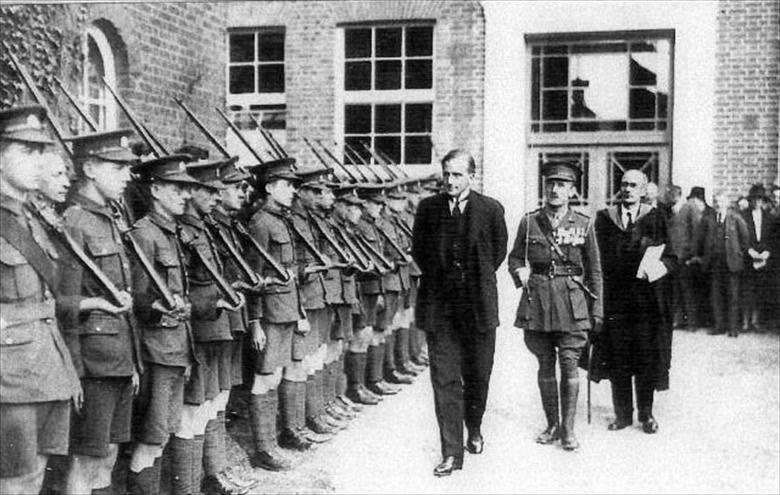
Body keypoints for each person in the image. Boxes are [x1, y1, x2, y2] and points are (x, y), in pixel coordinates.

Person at [0, 106, 81, 495]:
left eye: (40, 152)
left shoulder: (34, 219)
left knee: (35, 475)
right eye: (25, 151)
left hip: (48, 364)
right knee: (12, 481)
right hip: (8, 374)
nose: (39, 162)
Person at [412, 149, 507, 476]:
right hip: (441, 309)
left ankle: (475, 426)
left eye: (457, 175)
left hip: (478, 308)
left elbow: (496, 253)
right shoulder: (428, 209)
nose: (450, 181)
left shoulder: (491, 209)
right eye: (446, 174)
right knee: (445, 381)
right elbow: (421, 252)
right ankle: (452, 452)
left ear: (471, 176)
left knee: (478, 376)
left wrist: (471, 281)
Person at [56, 130, 141, 495]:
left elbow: (123, 301)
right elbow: (63, 304)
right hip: (92, 365)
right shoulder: (74, 221)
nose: (127, 176)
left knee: (108, 454)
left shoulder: (109, 219)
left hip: (118, 360)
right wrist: (75, 372)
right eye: (118, 166)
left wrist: (133, 362)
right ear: (89, 167)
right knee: (85, 459)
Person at [508, 158, 603, 451]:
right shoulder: (529, 221)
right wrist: (518, 272)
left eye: (561, 185)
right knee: (545, 364)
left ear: (572, 191)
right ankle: (552, 424)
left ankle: (568, 430)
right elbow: (514, 257)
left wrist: (597, 309)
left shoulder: (584, 224)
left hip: (572, 302)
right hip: (537, 301)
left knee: (570, 364)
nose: (554, 190)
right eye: (550, 183)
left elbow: (595, 269)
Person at [126, 154, 198, 494]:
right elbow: (136, 301)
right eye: (177, 188)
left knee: (163, 434)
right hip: (155, 350)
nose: (186, 195)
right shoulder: (145, 234)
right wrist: (162, 308)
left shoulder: (170, 233)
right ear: (155, 189)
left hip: (176, 347)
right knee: (151, 438)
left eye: (187, 189)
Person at [593, 169, 676, 434]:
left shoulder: (656, 218)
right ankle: (622, 415)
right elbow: (594, 258)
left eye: (633, 185)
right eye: (624, 185)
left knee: (645, 358)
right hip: (615, 301)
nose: (627, 189)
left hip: (644, 302)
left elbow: (672, 256)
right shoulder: (605, 220)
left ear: (643, 190)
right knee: (618, 358)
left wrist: (658, 269)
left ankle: (646, 413)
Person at [244, 159, 306, 471]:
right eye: (288, 184)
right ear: (269, 187)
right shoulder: (260, 222)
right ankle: (262, 448)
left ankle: (271, 442)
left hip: (285, 311)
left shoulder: (281, 220)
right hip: (268, 314)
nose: (293, 190)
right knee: (263, 379)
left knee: (275, 376)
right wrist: (254, 322)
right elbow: (253, 276)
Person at [696, 190, 749, 337]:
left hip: (731, 262)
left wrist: (737, 255)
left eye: (721, 201)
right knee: (716, 295)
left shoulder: (735, 218)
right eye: (716, 202)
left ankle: (733, 328)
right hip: (714, 262)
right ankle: (719, 326)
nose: (718, 204)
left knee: (733, 296)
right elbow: (700, 239)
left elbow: (745, 240)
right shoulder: (708, 219)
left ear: (727, 203)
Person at [741, 184, 775, 332]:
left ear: (763, 201)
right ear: (751, 200)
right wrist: (750, 251)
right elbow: (742, 238)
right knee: (746, 290)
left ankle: (756, 321)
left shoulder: (769, 217)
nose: (757, 202)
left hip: (764, 259)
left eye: (760, 199)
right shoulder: (743, 216)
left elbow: (772, 239)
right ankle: (745, 322)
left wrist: (767, 252)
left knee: (760, 290)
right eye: (755, 199)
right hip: (749, 257)